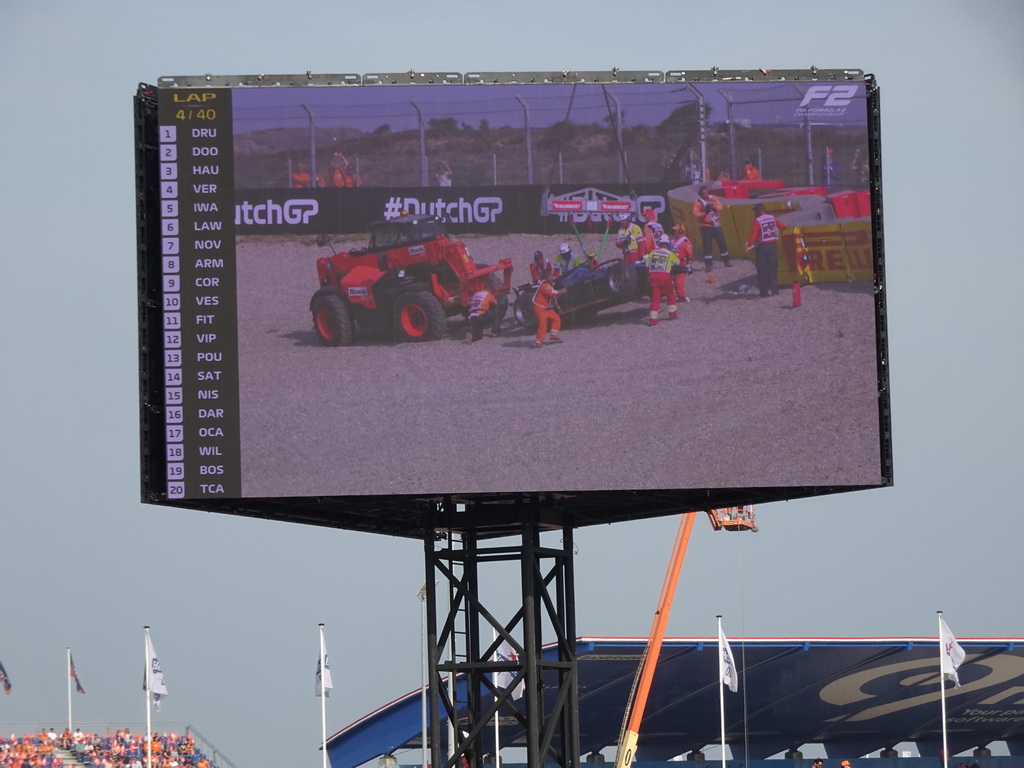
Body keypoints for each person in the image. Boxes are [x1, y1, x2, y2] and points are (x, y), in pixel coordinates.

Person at [745, 202, 788, 297]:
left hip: (762, 247)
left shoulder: (757, 221)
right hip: (772, 246)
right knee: (772, 269)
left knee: (762, 270)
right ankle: (775, 290)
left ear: (757, 212)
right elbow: (782, 226)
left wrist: (749, 246)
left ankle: (764, 292)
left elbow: (754, 234)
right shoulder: (772, 218)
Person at [643, 234, 680, 326]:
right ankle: (672, 314)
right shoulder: (670, 254)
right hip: (665, 277)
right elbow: (678, 263)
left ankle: (652, 320)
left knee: (655, 299)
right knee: (671, 295)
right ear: (667, 244)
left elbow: (647, 266)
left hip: (653, 278)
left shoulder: (653, 253)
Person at [693, 186, 731, 270]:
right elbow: (696, 214)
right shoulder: (698, 202)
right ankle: (708, 265)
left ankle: (726, 261)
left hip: (716, 224)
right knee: (707, 245)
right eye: (704, 194)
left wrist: (713, 207)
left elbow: (720, 207)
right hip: (705, 226)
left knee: (721, 242)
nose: (706, 195)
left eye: (707, 193)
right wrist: (704, 212)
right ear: (700, 194)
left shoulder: (713, 198)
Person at [531, 276, 565, 348]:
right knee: (543, 323)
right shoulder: (544, 285)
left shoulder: (549, 285)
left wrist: (557, 306)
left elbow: (553, 298)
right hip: (539, 307)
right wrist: (561, 291)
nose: (551, 277)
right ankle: (538, 341)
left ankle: (553, 335)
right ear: (545, 276)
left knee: (556, 318)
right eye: (549, 276)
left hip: (546, 307)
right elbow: (551, 293)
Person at [669, 223, 694, 303]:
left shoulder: (685, 241)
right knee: (671, 281)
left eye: (675, 230)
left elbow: (690, 253)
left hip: (681, 264)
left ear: (680, 231)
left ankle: (681, 297)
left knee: (679, 282)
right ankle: (672, 296)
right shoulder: (672, 239)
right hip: (672, 263)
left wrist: (689, 265)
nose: (674, 231)